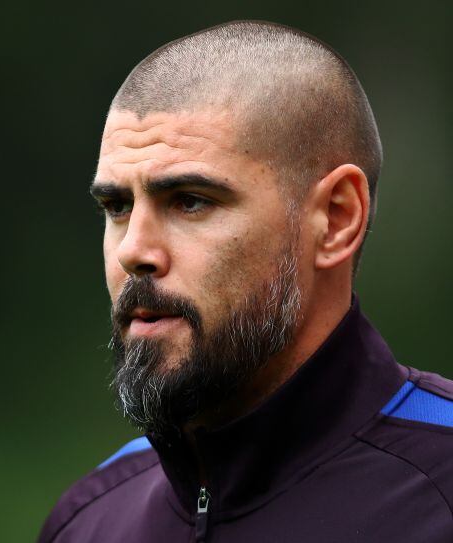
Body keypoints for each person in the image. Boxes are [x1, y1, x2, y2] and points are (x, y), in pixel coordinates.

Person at [38, 20, 453, 542]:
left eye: (190, 200)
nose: (133, 251)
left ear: (336, 219)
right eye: (117, 206)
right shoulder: (90, 520)